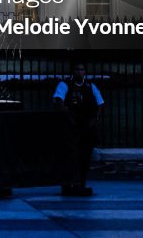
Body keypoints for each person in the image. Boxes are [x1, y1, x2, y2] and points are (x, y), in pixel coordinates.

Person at [53, 61, 104, 196]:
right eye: (76, 69)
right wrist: (68, 115)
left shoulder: (90, 86)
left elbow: (100, 104)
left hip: (87, 128)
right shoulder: (65, 85)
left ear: (85, 72)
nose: (79, 72)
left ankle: (81, 184)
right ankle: (68, 184)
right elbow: (59, 100)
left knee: (85, 157)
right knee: (71, 157)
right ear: (72, 72)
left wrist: (95, 120)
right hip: (72, 128)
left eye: (81, 69)